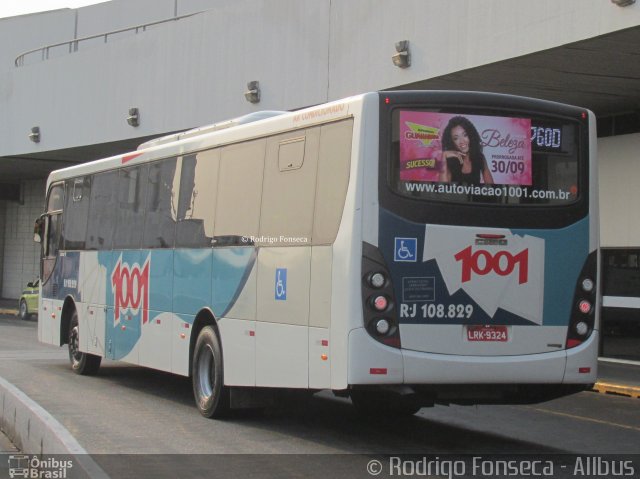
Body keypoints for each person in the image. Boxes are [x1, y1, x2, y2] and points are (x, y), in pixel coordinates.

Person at [439, 116, 494, 185]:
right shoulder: (450, 160)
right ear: (452, 142)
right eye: (456, 138)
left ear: (471, 135)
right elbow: (442, 188)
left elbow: (492, 188)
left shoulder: (480, 158)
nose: (462, 141)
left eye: (465, 135)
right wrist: (443, 155)